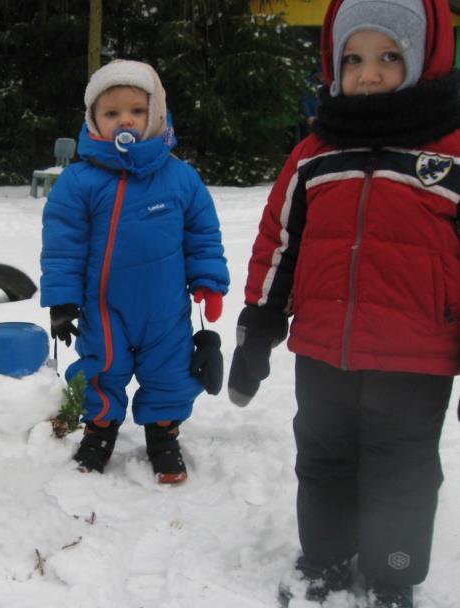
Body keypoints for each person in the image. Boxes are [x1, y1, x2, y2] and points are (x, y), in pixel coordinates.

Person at [227, 1, 460, 606]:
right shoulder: (315, 153)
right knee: (323, 457)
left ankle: (393, 571)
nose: (369, 73)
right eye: (353, 58)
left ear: (425, 59)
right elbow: (280, 240)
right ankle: (325, 557)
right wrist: (259, 322)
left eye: (390, 56)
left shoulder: (451, 153)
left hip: (416, 360)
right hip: (324, 347)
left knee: (401, 470)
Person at [40, 59, 229, 484]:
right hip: (104, 306)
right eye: (111, 113)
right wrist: (61, 298)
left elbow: (202, 233)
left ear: (156, 115)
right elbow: (62, 245)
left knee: (171, 370)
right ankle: (99, 431)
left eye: (136, 111)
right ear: (93, 121)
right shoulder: (80, 182)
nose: (125, 120)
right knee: (101, 367)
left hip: (165, 307)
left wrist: (209, 281)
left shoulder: (181, 178)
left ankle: (163, 436)